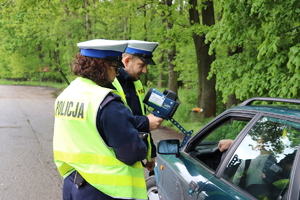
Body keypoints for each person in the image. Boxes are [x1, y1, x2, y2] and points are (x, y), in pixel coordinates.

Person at [53, 39, 149, 200]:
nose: (117, 73)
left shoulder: (67, 94)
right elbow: (131, 153)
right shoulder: (107, 102)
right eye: (115, 67)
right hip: (106, 191)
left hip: (73, 184)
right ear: (102, 66)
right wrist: (142, 143)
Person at [112, 40, 163, 174]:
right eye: (141, 65)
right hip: (117, 158)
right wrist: (146, 122)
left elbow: (142, 119)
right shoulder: (110, 84)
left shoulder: (136, 83)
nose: (145, 71)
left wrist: (150, 152)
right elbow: (117, 122)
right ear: (126, 61)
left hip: (134, 154)